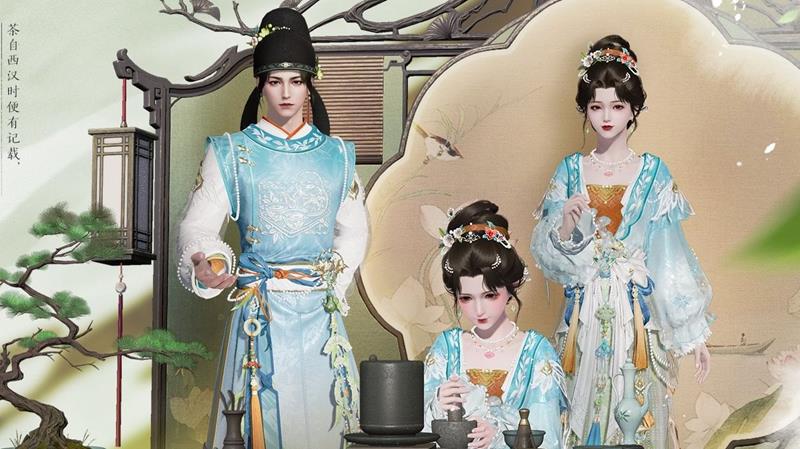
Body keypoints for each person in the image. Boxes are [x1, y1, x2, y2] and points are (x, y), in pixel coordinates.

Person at [175, 8, 368, 449]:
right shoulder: (231, 152)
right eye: (275, 81)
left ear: (309, 84)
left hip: (321, 317)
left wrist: (332, 285)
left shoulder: (337, 155)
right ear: (260, 84)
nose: (286, 93)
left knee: (326, 423)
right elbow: (197, 225)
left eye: (296, 81)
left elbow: (355, 232)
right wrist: (210, 261)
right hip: (259, 313)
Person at [530, 35, 712, 448]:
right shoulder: (569, 171)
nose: (606, 116)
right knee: (577, 414)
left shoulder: (654, 172)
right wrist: (565, 228)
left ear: (633, 109)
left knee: (639, 411)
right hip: (582, 318)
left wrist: (693, 333)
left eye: (617, 106)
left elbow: (669, 258)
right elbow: (548, 258)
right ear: (585, 110)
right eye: (597, 107)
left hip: (636, 320)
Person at [423, 200, 566, 449]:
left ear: (511, 287)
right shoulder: (446, 348)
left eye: (489, 295)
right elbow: (418, 434)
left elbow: (549, 439)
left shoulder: (536, 352)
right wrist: (436, 404)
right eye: (466, 298)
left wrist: (500, 435)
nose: (478, 310)